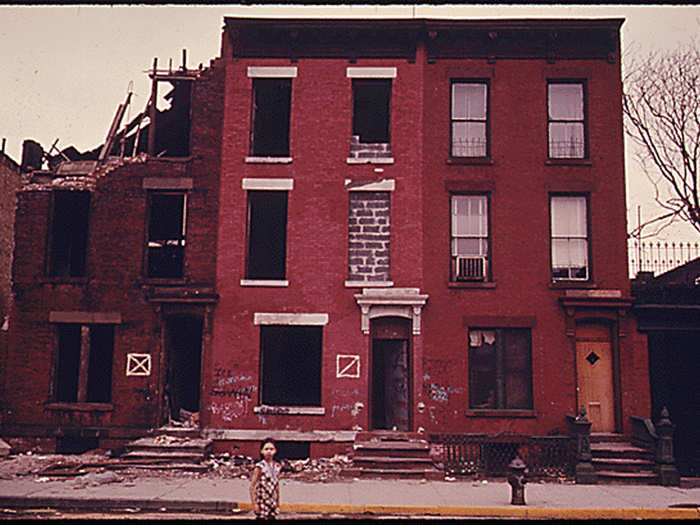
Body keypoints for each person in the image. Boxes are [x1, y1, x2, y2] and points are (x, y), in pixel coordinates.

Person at [249, 437, 281, 519]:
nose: (269, 451)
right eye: (266, 449)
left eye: (271, 449)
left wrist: (277, 502)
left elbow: (277, 486)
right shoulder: (259, 467)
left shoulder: (277, 466)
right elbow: (252, 486)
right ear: (262, 451)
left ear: (275, 451)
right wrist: (255, 504)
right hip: (262, 502)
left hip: (272, 503)